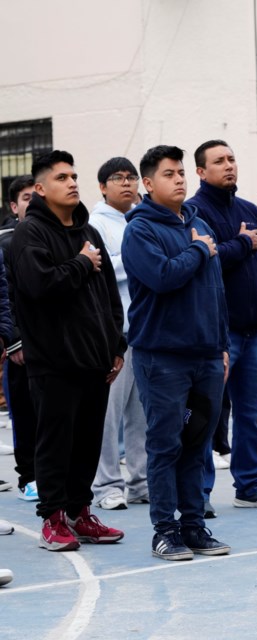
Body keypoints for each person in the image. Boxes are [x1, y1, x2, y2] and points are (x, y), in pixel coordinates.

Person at [11, 150, 125, 551]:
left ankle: (80, 512)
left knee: (88, 441)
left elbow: (110, 295)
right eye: (61, 177)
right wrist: (79, 264)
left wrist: (116, 344)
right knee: (55, 442)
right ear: (40, 189)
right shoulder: (29, 234)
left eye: (74, 176)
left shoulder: (88, 233)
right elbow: (40, 286)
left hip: (95, 361)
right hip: (53, 362)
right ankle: (53, 517)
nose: (72, 182)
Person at [123, 144, 231, 560]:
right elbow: (163, 277)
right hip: (162, 356)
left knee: (197, 444)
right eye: (169, 174)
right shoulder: (141, 229)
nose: (180, 179)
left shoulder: (197, 222)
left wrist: (221, 346)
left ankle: (194, 527)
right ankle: (164, 530)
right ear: (148, 184)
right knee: (166, 443)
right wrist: (200, 249)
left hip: (206, 355)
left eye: (182, 172)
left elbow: (215, 292)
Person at [188, 140, 257, 510]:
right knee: (207, 415)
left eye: (232, 158)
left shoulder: (249, 209)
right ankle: (198, 493)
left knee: (250, 413)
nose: (229, 165)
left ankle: (249, 484)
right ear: (201, 171)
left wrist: (244, 246)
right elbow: (205, 260)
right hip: (219, 333)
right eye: (219, 161)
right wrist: (241, 243)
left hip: (255, 327)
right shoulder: (193, 211)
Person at [89, 157, 150, 511]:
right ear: (102, 187)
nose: (127, 184)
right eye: (117, 178)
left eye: (131, 178)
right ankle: (107, 486)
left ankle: (140, 482)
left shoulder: (141, 219)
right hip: (115, 335)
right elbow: (98, 269)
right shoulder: (95, 223)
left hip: (146, 333)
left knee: (141, 416)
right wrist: (138, 255)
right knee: (108, 418)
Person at [1, 175, 39, 501]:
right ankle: (29, 477)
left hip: (55, 345)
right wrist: (14, 342)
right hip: (22, 348)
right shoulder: (5, 242)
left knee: (56, 415)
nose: (33, 202)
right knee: (25, 414)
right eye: (26, 198)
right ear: (14, 206)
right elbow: (5, 298)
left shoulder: (56, 237)